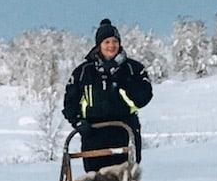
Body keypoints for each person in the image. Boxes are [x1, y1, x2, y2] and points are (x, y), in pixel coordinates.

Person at [63, 18, 153, 172]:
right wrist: (77, 122)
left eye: (114, 41)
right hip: (93, 134)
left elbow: (144, 96)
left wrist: (123, 81)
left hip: (124, 131)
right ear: (99, 45)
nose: (111, 46)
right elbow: (70, 102)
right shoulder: (83, 72)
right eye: (107, 42)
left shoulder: (133, 69)